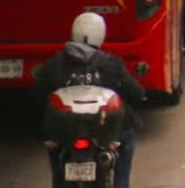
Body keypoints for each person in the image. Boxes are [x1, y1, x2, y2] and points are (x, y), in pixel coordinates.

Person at [34, 12, 145, 188]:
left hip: (65, 133)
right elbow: (135, 92)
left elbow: (38, 96)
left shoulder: (55, 63)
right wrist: (140, 96)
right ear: (101, 34)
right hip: (105, 133)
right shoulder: (110, 63)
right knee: (127, 137)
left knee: (56, 156)